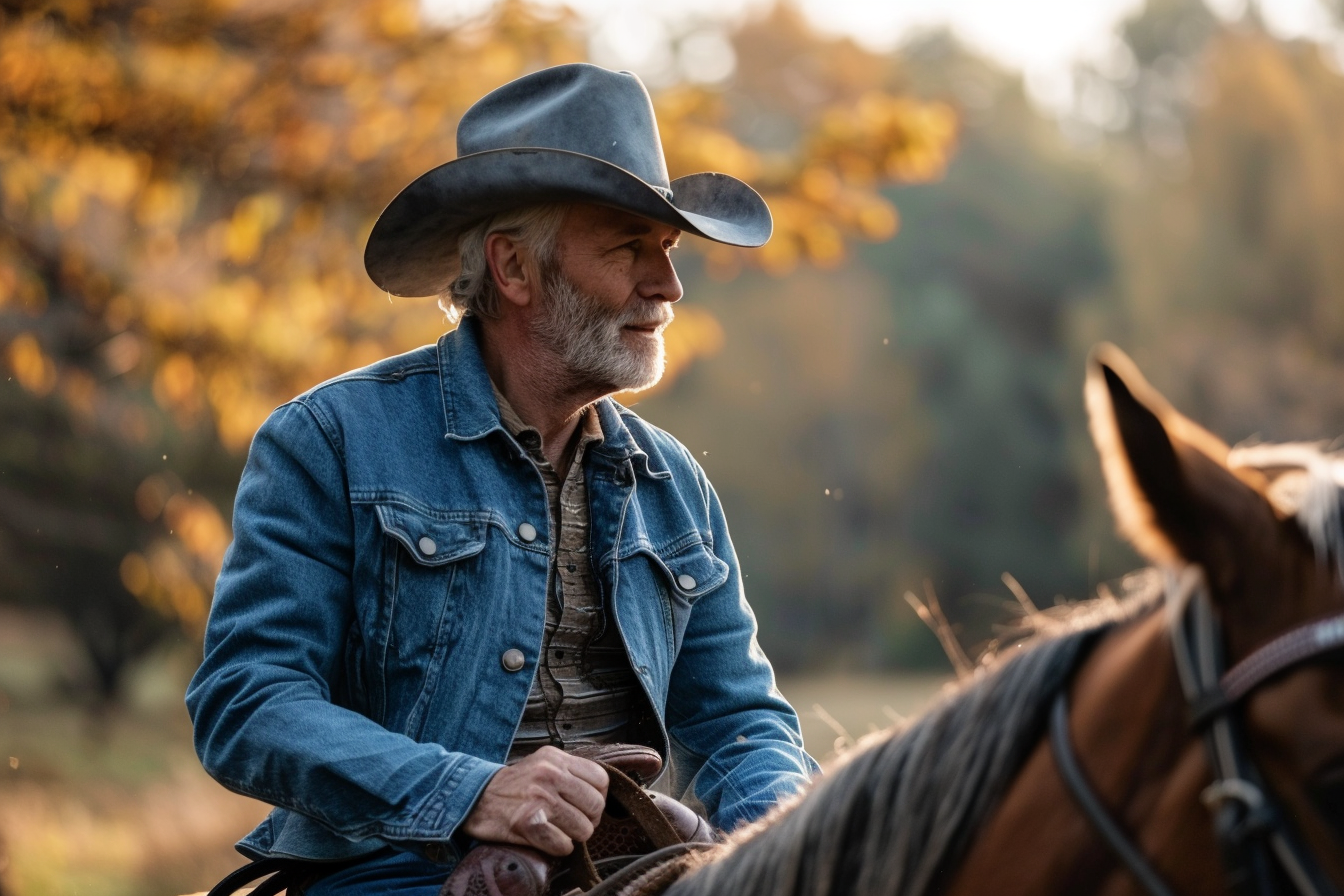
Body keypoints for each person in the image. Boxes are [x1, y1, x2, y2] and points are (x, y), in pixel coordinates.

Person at [186, 63, 818, 895]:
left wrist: (796, 840)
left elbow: (738, 720)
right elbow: (247, 701)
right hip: (396, 873)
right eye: (630, 248)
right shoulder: (329, 441)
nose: (668, 286)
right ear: (513, 269)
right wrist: (472, 793)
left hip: (637, 870)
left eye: (665, 251)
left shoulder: (674, 484)